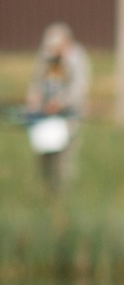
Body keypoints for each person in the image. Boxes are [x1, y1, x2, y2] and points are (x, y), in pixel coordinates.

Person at [24, 23, 90, 197]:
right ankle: (46, 191)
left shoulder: (77, 59)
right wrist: (35, 100)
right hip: (45, 117)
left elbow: (79, 89)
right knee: (44, 158)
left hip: (68, 117)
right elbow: (36, 83)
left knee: (65, 160)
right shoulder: (45, 58)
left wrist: (60, 103)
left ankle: (63, 194)